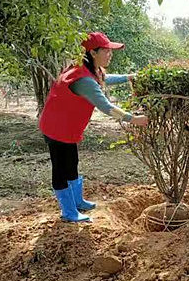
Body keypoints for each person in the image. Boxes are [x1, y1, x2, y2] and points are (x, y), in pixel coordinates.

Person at [39, 32, 148, 223]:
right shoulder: (83, 79)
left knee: (72, 162)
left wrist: (128, 77)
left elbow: (106, 78)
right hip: (56, 128)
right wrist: (133, 119)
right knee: (60, 168)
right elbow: (106, 106)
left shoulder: (91, 70)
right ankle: (68, 212)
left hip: (68, 127)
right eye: (106, 51)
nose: (110, 55)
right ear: (92, 53)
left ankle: (77, 201)